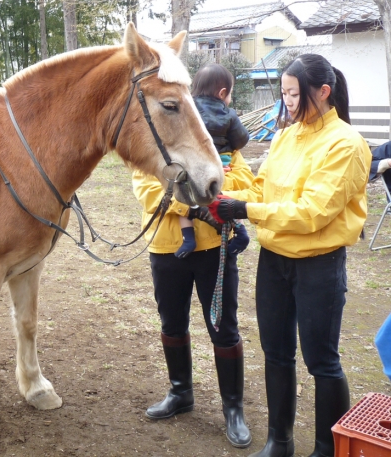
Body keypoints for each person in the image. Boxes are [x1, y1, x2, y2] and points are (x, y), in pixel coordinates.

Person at [208, 54, 372, 457]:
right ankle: (279, 441)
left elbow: (313, 212)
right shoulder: (285, 136)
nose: (288, 102)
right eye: (283, 93)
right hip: (275, 260)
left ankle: (326, 449)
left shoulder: (346, 144)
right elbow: (264, 191)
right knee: (276, 352)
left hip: (319, 263)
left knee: (321, 360)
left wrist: (245, 211)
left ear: (323, 92)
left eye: (294, 94)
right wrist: (220, 198)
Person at [132, 132, 255, 447]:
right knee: (171, 323)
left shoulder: (220, 143)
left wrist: (207, 191)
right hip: (165, 248)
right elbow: (147, 191)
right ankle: (180, 392)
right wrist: (194, 206)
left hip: (214, 247)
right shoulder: (150, 147)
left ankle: (233, 408)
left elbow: (242, 181)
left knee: (223, 327)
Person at [176, 64, 251, 259]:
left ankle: (188, 237)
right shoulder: (228, 113)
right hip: (221, 163)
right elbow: (241, 140)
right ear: (222, 92)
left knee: (185, 197)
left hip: (190, 164)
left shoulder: (184, 110)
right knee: (224, 201)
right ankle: (240, 230)